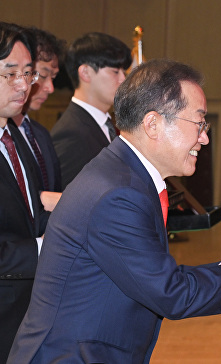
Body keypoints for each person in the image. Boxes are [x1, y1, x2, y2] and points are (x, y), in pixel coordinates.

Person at [8, 59, 221, 364]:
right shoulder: (118, 193)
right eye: (199, 124)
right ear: (153, 124)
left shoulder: (125, 176)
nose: (205, 138)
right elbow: (170, 293)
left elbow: (159, 276)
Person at [0, 22, 51, 364]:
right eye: (10, 73)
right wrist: (47, 247)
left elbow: (29, 217)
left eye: (28, 73)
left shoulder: (16, 137)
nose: (23, 85)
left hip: (25, 322)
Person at [50, 32, 132, 189]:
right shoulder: (71, 134)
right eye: (115, 71)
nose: (123, 79)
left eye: (124, 72)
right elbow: (68, 201)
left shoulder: (106, 124)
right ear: (86, 73)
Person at [10, 27, 65, 196]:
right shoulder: (5, 135)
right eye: (43, 75)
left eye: (53, 78)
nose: (50, 88)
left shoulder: (41, 133)